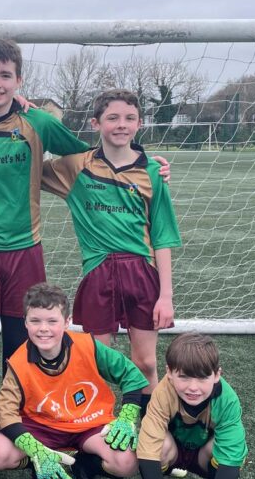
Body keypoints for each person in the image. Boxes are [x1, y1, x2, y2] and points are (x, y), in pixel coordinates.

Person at [0, 42, 169, 432]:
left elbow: (95, 155)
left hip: (24, 250)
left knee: (25, 343)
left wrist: (146, 163)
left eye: (6, 75)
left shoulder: (38, 123)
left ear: (19, 80)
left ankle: (24, 421)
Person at [41, 88, 181, 396]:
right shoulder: (76, 166)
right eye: (113, 118)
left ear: (140, 124)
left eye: (130, 118)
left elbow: (163, 237)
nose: (121, 125)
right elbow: (27, 170)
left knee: (145, 363)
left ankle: (149, 424)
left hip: (142, 273)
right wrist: (22, 110)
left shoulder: (152, 171)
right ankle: (99, 424)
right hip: (98, 271)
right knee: (97, 362)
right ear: (96, 123)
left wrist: (166, 296)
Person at [0, 283, 149, 479]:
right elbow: (3, 412)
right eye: (35, 321)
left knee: (127, 462)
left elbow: (130, 373)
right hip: (42, 428)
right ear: (25, 322)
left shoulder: (88, 346)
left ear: (67, 321)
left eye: (52, 321)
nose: (43, 328)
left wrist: (127, 416)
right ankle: (39, 464)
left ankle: (85, 467)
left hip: (89, 424)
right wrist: (35, 450)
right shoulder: (18, 362)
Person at [118, 332, 248, 479]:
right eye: (184, 377)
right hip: (173, 453)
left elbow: (232, 459)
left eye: (202, 377)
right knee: (155, 444)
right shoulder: (162, 393)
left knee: (230, 451)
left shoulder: (227, 400)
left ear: (217, 375)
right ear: (169, 372)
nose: (193, 387)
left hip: (203, 457)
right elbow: (147, 451)